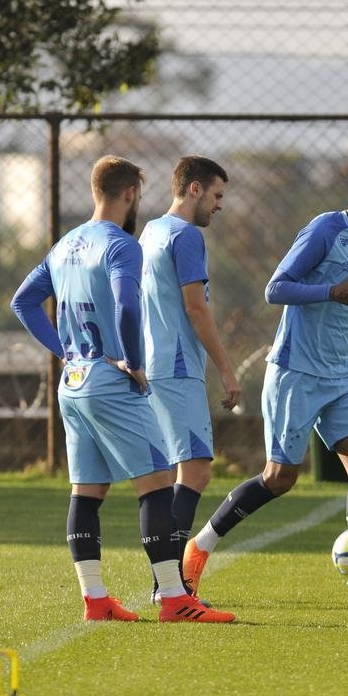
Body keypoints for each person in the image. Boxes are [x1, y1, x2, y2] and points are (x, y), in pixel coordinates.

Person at [10, 155, 234, 624]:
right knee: (154, 485)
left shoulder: (65, 244)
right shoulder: (120, 245)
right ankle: (173, 599)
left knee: (86, 493)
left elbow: (23, 302)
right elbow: (127, 309)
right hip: (111, 381)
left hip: (72, 384)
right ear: (130, 194)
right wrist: (132, 362)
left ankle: (96, 601)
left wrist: (66, 352)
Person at [184, 162, 348, 604]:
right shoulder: (326, 229)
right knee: (280, 478)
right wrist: (331, 291)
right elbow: (275, 288)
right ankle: (200, 546)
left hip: (342, 374)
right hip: (297, 372)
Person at [139, 156, 241, 600]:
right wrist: (225, 367)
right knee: (196, 471)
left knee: (170, 476)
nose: (219, 205)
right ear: (195, 189)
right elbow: (195, 308)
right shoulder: (184, 236)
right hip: (178, 368)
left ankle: (169, 583)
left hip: (153, 364)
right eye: (217, 195)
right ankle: (170, 587)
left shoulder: (151, 230)